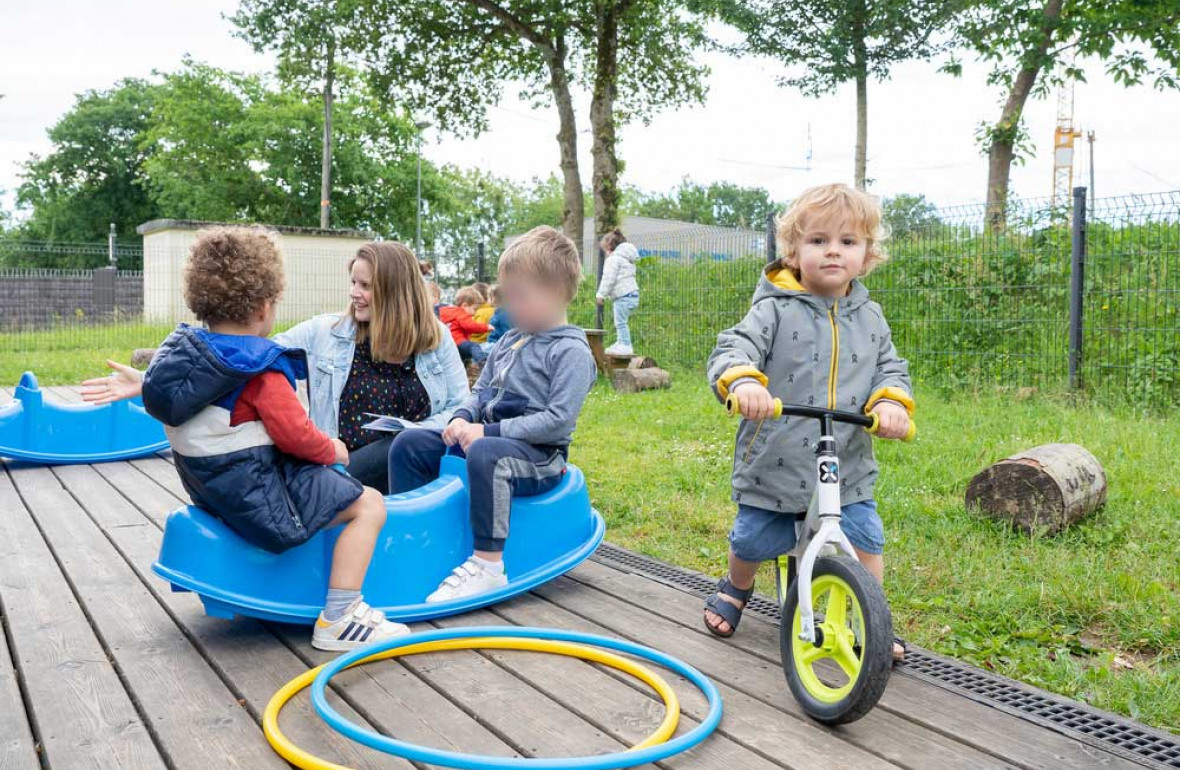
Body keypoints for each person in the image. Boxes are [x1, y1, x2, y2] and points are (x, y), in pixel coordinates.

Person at [138, 227, 409, 650]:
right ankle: (341, 615)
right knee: (368, 504)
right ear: (264, 307)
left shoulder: (185, 361)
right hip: (261, 499)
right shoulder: (258, 369)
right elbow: (297, 436)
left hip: (215, 493)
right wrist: (333, 450)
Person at [703, 183, 913, 661]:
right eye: (818, 240)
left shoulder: (871, 318)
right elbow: (734, 347)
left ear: (867, 255)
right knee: (753, 537)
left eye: (847, 241)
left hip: (847, 463)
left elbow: (890, 368)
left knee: (865, 538)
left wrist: (891, 404)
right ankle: (737, 586)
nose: (833, 251)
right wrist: (744, 382)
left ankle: (871, 618)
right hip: (775, 459)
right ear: (794, 252)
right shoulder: (772, 309)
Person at [81, 242, 469, 495]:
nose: (354, 293)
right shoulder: (326, 333)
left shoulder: (434, 339)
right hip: (340, 464)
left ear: (395, 291)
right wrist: (151, 379)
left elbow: (459, 406)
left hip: (411, 461)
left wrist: (414, 431)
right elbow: (242, 355)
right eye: (353, 282)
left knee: (402, 446)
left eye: (365, 286)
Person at [388, 226, 598, 602]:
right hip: (489, 443)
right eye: (507, 295)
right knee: (410, 444)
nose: (507, 307)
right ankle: (413, 540)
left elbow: (557, 421)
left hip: (539, 458)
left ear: (554, 292)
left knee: (487, 453)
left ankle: (488, 567)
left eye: (518, 296)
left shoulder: (570, 352)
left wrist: (488, 433)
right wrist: (461, 417)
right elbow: (480, 391)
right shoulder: (508, 341)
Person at [595, 229, 640, 356]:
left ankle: (625, 345)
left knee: (620, 322)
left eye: (605, 249)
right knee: (620, 321)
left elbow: (608, 279)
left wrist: (601, 294)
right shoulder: (626, 258)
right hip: (632, 294)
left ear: (609, 246)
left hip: (623, 296)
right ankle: (620, 342)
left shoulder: (613, 259)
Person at [439, 286, 490, 364]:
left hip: (448, 342)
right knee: (473, 346)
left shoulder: (448, 312)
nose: (475, 313)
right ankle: (483, 362)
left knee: (461, 357)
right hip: (458, 341)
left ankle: (465, 365)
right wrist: (486, 327)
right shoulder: (461, 314)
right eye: (474, 309)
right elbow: (470, 326)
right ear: (465, 305)